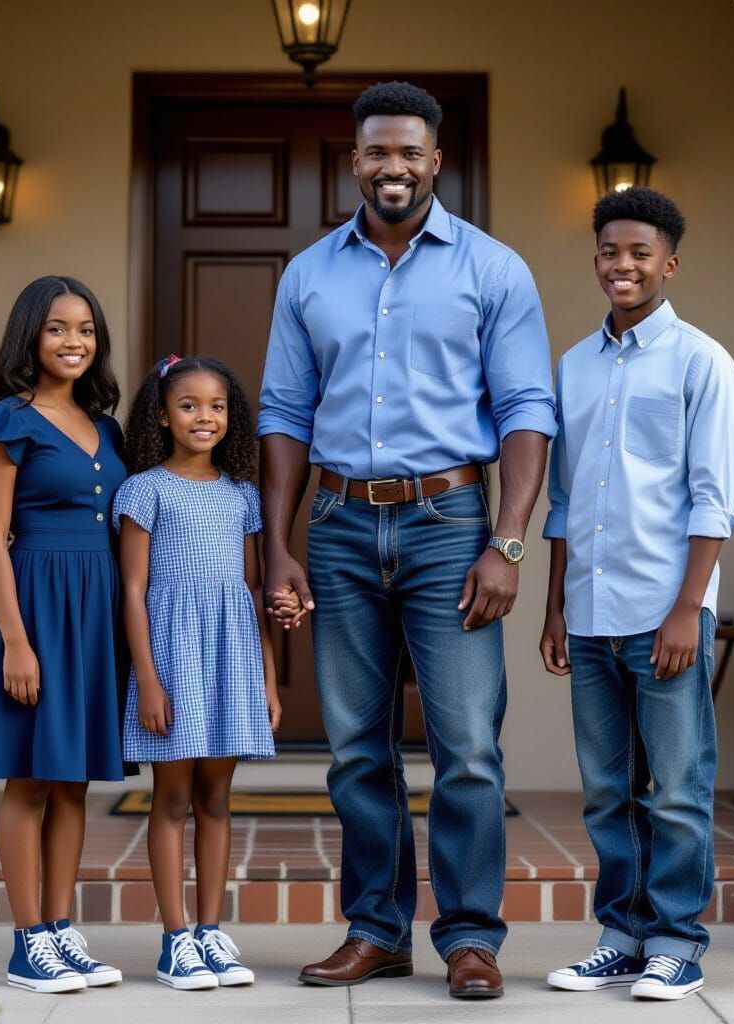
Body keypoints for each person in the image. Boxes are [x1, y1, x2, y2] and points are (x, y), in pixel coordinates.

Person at [259, 81, 556, 1000]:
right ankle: (377, 931)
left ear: (436, 160)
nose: (394, 166)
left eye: (411, 152)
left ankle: (470, 939)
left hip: (450, 524)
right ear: (356, 162)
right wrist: (279, 544)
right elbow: (283, 413)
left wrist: (507, 543)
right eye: (377, 152)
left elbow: (526, 411)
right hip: (342, 525)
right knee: (356, 746)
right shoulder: (308, 273)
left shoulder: (494, 270)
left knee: (467, 743)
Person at [540, 187, 734, 1001]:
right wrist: (555, 606)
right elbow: (563, 497)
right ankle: (621, 936)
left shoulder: (702, 360)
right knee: (607, 792)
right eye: (610, 253)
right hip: (588, 613)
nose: (623, 266)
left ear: (669, 263)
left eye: (640, 253)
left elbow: (712, 496)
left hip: (667, 613)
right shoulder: (574, 365)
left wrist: (689, 608)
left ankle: (677, 944)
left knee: (680, 790)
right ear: (596, 261)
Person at [0, 275, 126, 992]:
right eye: (58, 328)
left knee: (73, 780)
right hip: (32, 608)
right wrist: (16, 641)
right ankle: (28, 941)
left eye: (86, 329)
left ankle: (61, 930)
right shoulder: (6, 421)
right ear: (31, 335)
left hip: (96, 614)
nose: (74, 342)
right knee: (29, 779)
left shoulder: (108, 427)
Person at [115, 355, 284, 991]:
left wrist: (267, 680)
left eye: (216, 406)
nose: (203, 417)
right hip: (173, 656)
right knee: (173, 798)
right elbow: (132, 592)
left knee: (217, 799)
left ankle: (211, 932)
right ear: (163, 415)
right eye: (188, 405)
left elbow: (251, 586)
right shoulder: (144, 490)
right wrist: (149, 681)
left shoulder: (242, 497)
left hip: (232, 655)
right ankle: (174, 938)